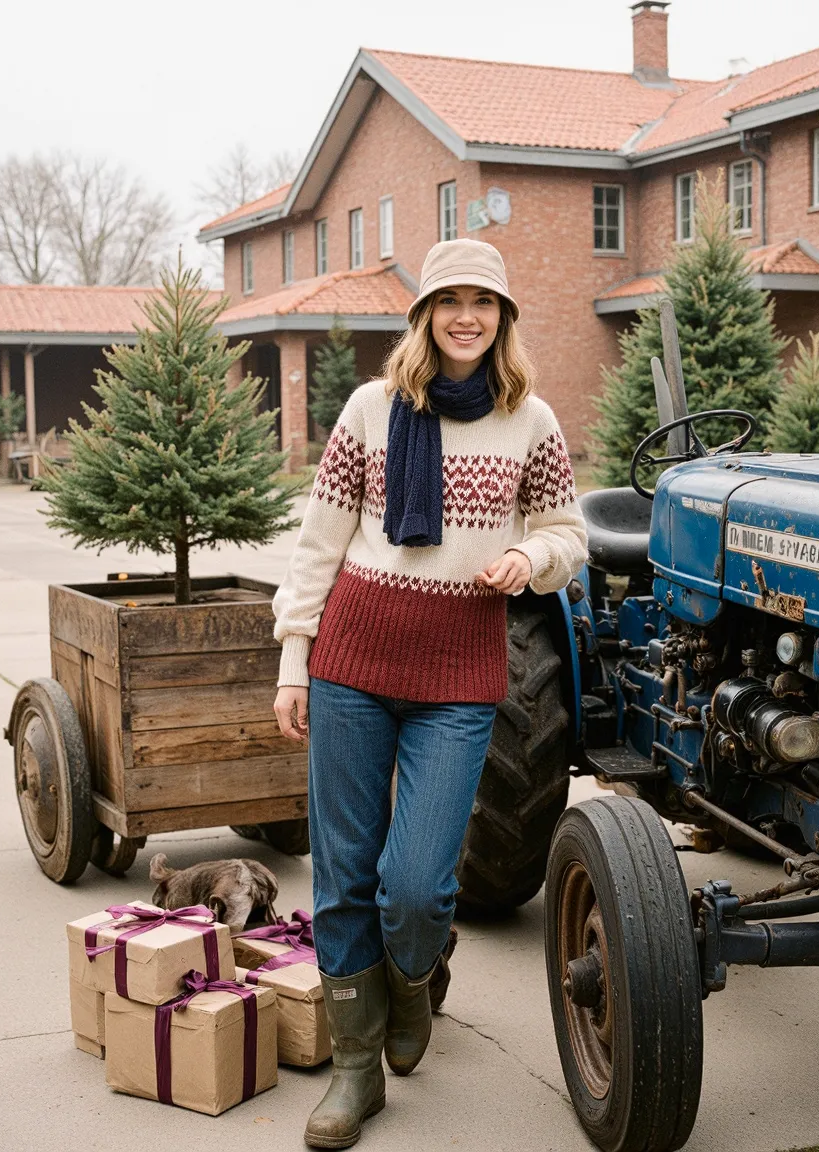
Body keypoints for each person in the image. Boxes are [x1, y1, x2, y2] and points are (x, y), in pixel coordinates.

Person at [272, 237, 588, 1149]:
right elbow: (319, 542)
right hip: (352, 664)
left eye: (482, 302)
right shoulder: (373, 410)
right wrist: (294, 661)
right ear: (423, 314)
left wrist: (532, 557)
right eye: (448, 299)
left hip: (461, 672)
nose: (465, 316)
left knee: (414, 884)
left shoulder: (530, 421)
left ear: (503, 318)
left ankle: (411, 984)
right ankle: (354, 1071)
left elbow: (566, 531)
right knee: (343, 873)